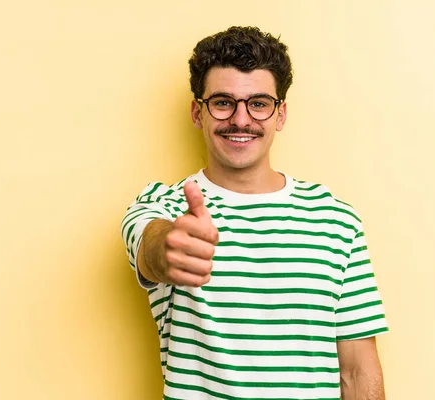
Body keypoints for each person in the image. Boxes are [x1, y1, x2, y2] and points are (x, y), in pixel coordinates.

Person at [120, 26, 388, 400]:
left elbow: (358, 370)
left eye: (259, 103)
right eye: (223, 102)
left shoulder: (336, 219)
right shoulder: (163, 205)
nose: (241, 120)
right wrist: (167, 249)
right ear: (198, 112)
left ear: (280, 114)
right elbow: (150, 246)